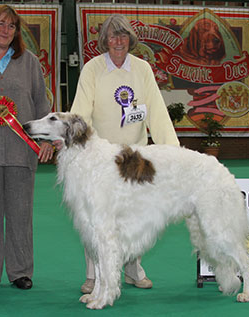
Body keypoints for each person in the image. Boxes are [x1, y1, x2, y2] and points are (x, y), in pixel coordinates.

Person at [70, 14, 180, 294]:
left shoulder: (142, 69)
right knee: (97, 218)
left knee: (135, 216)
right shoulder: (92, 69)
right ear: (104, 40)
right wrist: (79, 145)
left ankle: (132, 269)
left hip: (135, 157)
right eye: (112, 36)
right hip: (101, 161)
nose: (118, 41)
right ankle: (94, 275)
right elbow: (81, 110)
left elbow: (155, 108)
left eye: (123, 36)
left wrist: (172, 151)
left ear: (131, 40)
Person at [0, 5, 55, 290]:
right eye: (1, 24)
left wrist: (46, 140)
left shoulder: (29, 61)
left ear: (17, 32)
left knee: (20, 214)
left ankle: (20, 271)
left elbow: (41, 104)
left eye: (12, 26)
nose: (6, 30)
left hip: (22, 151)